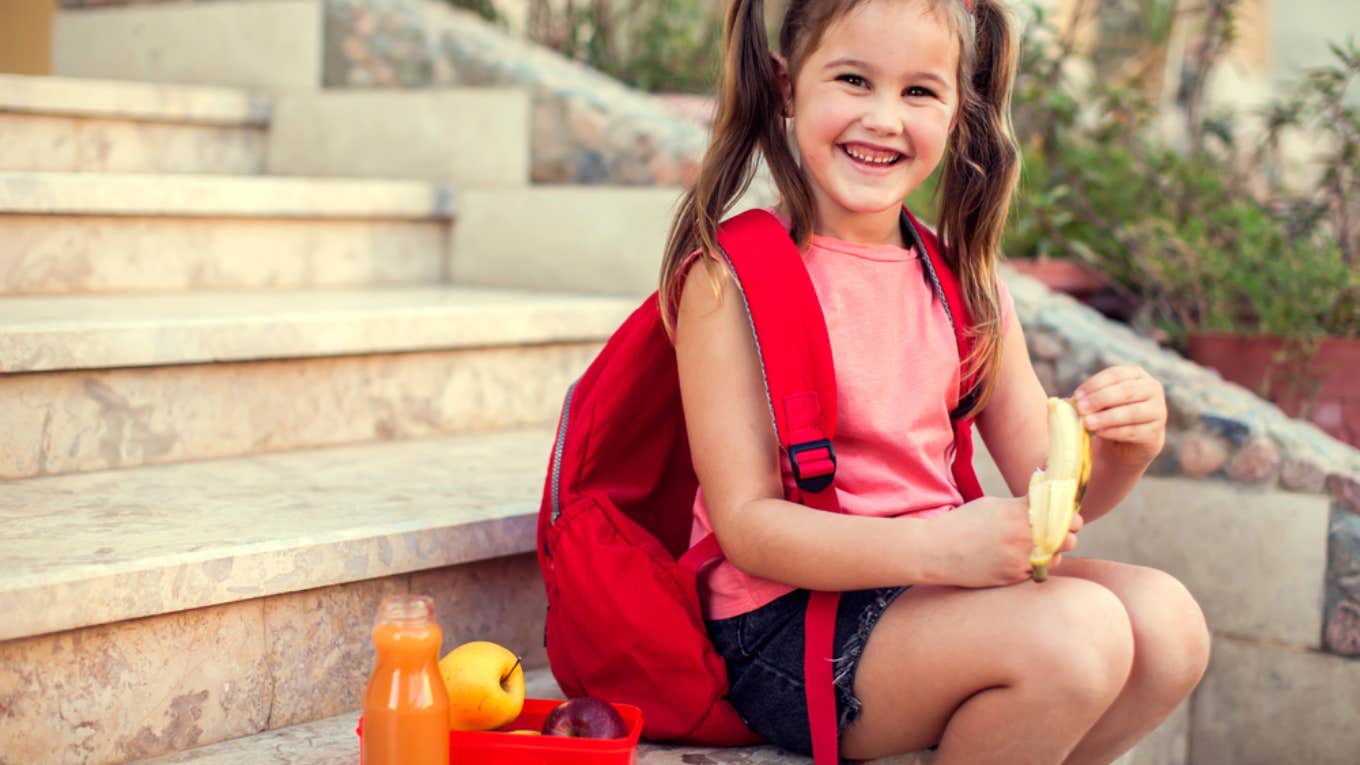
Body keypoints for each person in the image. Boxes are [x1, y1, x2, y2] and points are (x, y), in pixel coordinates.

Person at [659, 1, 1212, 763]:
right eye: (854, 79)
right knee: (1078, 633)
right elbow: (748, 527)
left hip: (926, 591)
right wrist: (934, 549)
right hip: (786, 626)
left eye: (919, 92)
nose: (884, 119)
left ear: (959, 112)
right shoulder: (729, 280)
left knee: (1169, 625)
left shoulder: (963, 281)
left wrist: (1125, 450)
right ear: (787, 85)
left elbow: (1048, 489)